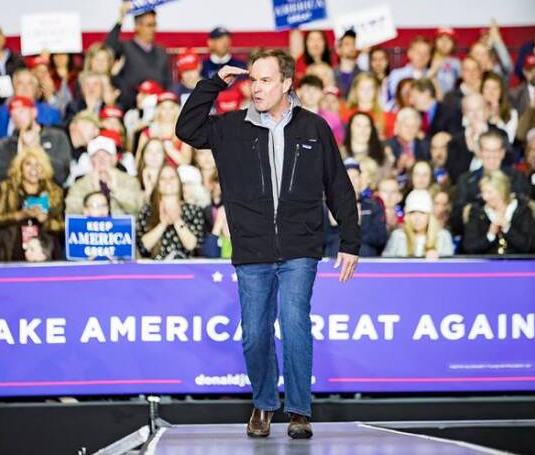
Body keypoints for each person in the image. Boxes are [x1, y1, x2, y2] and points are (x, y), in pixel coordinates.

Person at [176, 49, 360, 439]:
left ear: (287, 84)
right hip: (252, 248)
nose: (256, 88)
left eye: (265, 80)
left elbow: (338, 185)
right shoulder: (231, 127)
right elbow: (187, 130)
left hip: (300, 247)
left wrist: (351, 240)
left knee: (295, 324)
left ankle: (298, 411)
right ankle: (263, 403)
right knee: (255, 333)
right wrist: (212, 85)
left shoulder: (314, 127)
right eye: (252, 80)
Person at [0, 146, 64, 261]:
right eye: (28, 164)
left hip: (45, 253)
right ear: (20, 167)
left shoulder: (54, 191)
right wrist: (21, 215)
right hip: (12, 249)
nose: (33, 169)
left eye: (38, 165)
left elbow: (62, 225)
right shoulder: (7, 188)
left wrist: (45, 221)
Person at [450, 129, 530, 235]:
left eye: (495, 151)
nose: (491, 156)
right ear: (479, 152)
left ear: (502, 153)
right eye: (487, 150)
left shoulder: (517, 177)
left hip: (512, 241)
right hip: (476, 239)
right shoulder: (466, 180)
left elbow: (524, 211)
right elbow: (457, 218)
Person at [105, 3, 172, 110]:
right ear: (137, 26)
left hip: (158, 109)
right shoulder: (125, 48)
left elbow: (168, 82)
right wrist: (121, 18)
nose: (153, 29)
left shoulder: (161, 51)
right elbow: (108, 49)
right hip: (130, 107)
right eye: (149, 25)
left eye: (154, 25)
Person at [0, 96, 71, 186]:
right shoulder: (4, 145)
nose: (18, 118)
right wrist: (21, 154)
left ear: (34, 112)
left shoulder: (57, 136)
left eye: (21, 112)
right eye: (13, 115)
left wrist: (37, 150)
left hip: (50, 194)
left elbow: (62, 175)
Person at [135, 164, 205, 260]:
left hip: (186, 270)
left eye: (172, 178)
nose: (168, 181)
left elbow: (192, 245)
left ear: (179, 183)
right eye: (163, 178)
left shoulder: (194, 210)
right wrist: (163, 224)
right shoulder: (147, 210)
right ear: (158, 184)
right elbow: (143, 247)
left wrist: (177, 220)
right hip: (156, 270)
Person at [65, 135, 143, 216]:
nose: (101, 159)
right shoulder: (80, 184)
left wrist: (116, 190)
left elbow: (138, 206)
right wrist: (93, 191)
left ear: (114, 159)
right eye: (96, 155)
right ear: (91, 160)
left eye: (106, 155)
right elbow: (71, 210)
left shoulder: (129, 181)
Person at [462, 169, 535, 254]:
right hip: (487, 265)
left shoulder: (523, 211)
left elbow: (530, 246)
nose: (484, 197)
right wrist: (490, 235)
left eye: (489, 192)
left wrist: (508, 229)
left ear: (502, 191)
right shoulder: (477, 213)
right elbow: (469, 247)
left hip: (518, 264)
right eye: (483, 192)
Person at [383, 189, 454, 258]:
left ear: (429, 216)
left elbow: (450, 267)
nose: (417, 218)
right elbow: (386, 265)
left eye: (422, 213)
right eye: (413, 212)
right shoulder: (398, 236)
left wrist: (437, 261)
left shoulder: (443, 236)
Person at [0, 68, 61, 137]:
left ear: (35, 88)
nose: (25, 87)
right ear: (13, 87)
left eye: (29, 83)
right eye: (20, 83)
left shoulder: (50, 113)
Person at [386, 36, 432, 103]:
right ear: (409, 53)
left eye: (426, 53)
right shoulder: (397, 75)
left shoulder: (433, 76)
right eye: (418, 52)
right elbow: (395, 99)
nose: (422, 56)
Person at [481, 71, 518, 142]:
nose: (491, 92)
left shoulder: (512, 113)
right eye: (487, 88)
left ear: (501, 92)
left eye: (495, 88)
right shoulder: (475, 111)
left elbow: (510, 140)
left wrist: (498, 121)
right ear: (482, 91)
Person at [430, 27, 461, 95]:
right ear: (435, 42)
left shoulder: (456, 62)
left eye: (448, 40)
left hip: (450, 99)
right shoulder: (427, 59)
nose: (444, 43)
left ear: (453, 44)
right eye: (441, 39)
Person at [334, 30, 362, 97]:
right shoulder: (330, 75)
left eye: (354, 44)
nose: (351, 47)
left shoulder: (363, 75)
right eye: (347, 44)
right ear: (338, 49)